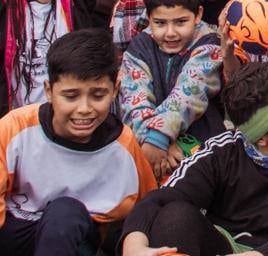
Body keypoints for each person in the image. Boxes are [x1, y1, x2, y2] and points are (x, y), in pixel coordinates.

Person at [121, 61, 268, 256]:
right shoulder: (221, 152)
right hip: (228, 247)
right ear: (261, 138)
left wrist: (265, 254)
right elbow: (159, 200)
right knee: (174, 217)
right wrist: (134, 244)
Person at [0, 29, 156, 256]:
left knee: (65, 213)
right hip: (15, 233)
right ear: (49, 91)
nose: (84, 109)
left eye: (98, 95)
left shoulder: (123, 146)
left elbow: (147, 206)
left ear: (115, 91)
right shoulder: (16, 127)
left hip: (75, 240)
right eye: (71, 96)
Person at [117, 0, 223, 180]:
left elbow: (190, 91)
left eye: (181, 22)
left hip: (204, 147)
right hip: (149, 149)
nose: (170, 33)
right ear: (149, 18)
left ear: (198, 14)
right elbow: (133, 97)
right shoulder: (140, 47)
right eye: (160, 23)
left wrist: (159, 136)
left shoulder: (209, 45)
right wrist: (151, 140)